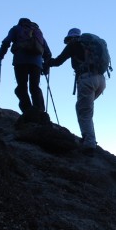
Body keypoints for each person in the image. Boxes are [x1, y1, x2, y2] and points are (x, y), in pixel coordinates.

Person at [45, 28, 107, 156]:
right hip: (101, 79)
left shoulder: (73, 44)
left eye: (68, 40)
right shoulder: (91, 43)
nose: (68, 42)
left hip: (86, 79)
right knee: (85, 109)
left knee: (84, 111)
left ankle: (89, 143)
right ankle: (89, 137)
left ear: (71, 38)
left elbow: (58, 61)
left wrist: (46, 63)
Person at [0, 18, 52, 114]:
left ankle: (27, 110)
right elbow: (47, 52)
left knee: (22, 87)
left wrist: (1, 54)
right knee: (35, 87)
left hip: (20, 61)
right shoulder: (37, 32)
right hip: (36, 63)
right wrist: (45, 68)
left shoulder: (16, 28)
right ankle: (39, 111)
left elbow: (7, 41)